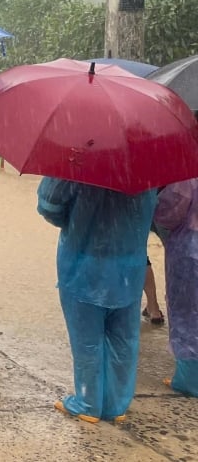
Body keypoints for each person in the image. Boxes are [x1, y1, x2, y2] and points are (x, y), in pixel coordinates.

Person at [37, 176, 158, 422]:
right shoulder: (147, 166)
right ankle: (117, 404)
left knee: (87, 340)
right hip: (129, 268)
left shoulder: (78, 158)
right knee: (123, 338)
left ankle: (88, 401)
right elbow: (157, 212)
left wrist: (79, 218)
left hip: (84, 266)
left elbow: (49, 206)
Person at [154, 176, 198, 396]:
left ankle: (190, 378)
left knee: (187, 312)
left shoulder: (187, 176)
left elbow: (169, 213)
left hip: (190, 250)